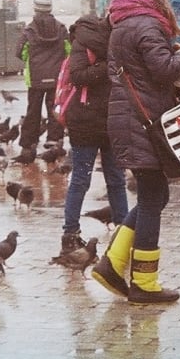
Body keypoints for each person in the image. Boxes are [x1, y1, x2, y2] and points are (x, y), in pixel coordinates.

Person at [91, 0, 180, 304]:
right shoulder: (145, 23)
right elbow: (163, 69)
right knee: (153, 199)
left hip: (131, 121)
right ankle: (144, 282)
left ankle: (113, 263)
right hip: (145, 123)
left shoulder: (123, 19)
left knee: (155, 196)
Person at [60, 13, 129, 250]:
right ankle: (70, 233)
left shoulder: (117, 42)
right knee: (81, 179)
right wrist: (107, 66)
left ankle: (123, 232)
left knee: (116, 179)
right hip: (85, 121)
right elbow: (77, 77)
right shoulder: (83, 42)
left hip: (110, 120)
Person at [13, 0, 68, 163]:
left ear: (35, 9)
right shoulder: (61, 28)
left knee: (33, 112)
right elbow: (69, 51)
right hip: (56, 78)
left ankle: (28, 147)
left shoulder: (29, 30)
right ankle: (54, 142)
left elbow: (19, 52)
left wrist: (33, 61)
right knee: (54, 111)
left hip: (35, 79)